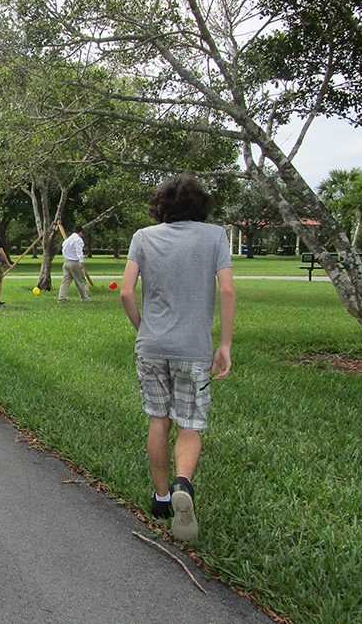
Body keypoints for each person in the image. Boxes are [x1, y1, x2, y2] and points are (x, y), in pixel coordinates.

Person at [119, 176, 235, 542]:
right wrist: (225, 344)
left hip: (151, 346)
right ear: (201, 205)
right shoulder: (215, 236)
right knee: (189, 423)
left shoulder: (143, 237)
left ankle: (161, 497)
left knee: (158, 419)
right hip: (193, 348)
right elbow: (228, 290)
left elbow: (125, 292)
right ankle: (183, 482)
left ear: (161, 205)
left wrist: (142, 327)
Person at [58, 225, 91, 302]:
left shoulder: (66, 240)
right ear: (80, 232)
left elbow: (64, 250)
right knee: (81, 281)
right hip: (75, 262)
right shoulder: (78, 240)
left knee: (65, 281)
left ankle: (61, 298)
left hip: (66, 262)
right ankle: (85, 298)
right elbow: (79, 250)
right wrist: (81, 261)